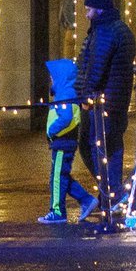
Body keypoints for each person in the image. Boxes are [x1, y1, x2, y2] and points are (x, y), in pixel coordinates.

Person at [74, 0, 136, 207]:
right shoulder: (121, 29)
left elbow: (96, 68)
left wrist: (85, 96)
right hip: (118, 101)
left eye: (89, 9)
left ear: (100, 10)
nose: (86, 14)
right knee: (113, 146)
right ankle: (112, 192)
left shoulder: (104, 32)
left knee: (93, 146)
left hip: (101, 102)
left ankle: (110, 191)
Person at [38, 58, 97, 224]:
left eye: (52, 76)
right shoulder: (67, 92)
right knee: (61, 175)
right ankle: (86, 200)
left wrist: (51, 130)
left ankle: (57, 211)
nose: (50, 79)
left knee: (56, 178)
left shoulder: (64, 94)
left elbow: (66, 118)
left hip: (62, 142)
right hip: (64, 142)